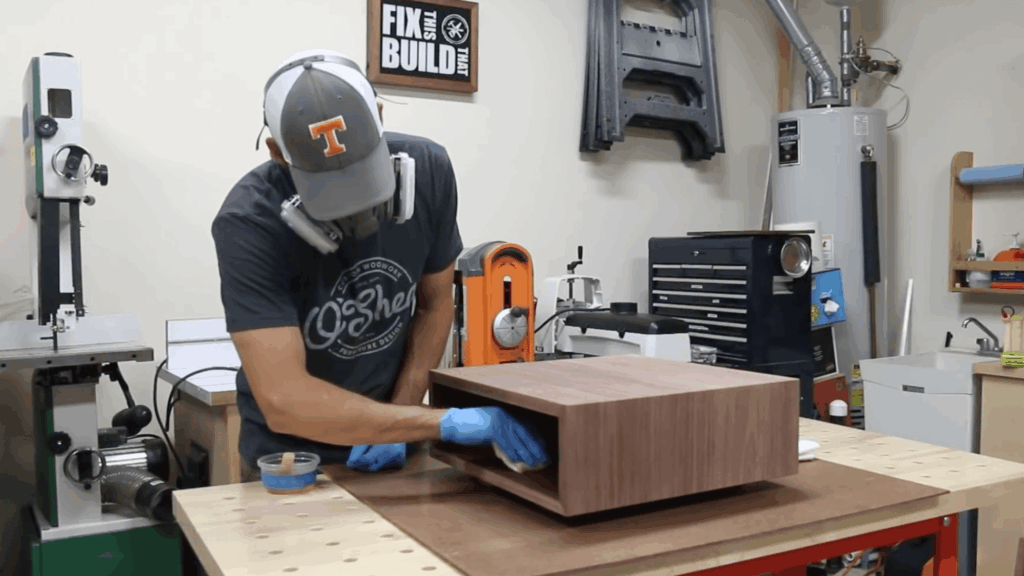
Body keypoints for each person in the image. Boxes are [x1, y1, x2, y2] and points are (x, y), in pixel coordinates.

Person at [211, 49, 548, 476]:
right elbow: (284, 401)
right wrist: (444, 422)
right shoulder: (249, 223)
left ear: (380, 116)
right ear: (278, 152)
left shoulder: (429, 172)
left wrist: (402, 418)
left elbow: (434, 305)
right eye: (332, 189)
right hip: (293, 461)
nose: (355, 210)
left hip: (397, 435)